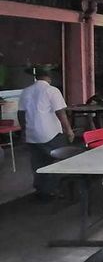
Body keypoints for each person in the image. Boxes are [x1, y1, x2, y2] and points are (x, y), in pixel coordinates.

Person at [17, 66, 74, 201]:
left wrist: (24, 131)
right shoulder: (52, 90)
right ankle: (55, 189)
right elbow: (60, 112)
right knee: (58, 160)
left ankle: (41, 191)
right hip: (50, 133)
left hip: (32, 134)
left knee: (38, 163)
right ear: (49, 77)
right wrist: (69, 130)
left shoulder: (26, 91)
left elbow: (21, 114)